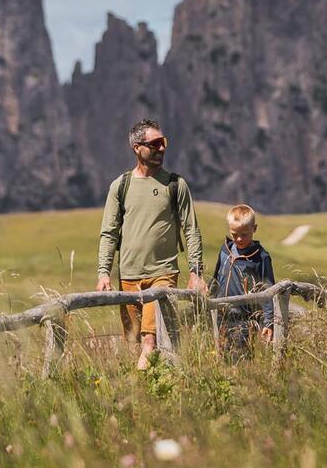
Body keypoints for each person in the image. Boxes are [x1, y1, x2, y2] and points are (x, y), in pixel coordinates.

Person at [96, 118, 206, 370]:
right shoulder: (120, 186)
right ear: (137, 147)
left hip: (163, 275)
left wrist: (196, 272)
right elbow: (109, 233)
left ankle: (139, 391)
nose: (161, 148)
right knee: (139, 341)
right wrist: (103, 273)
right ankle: (167, 385)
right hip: (129, 277)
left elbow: (192, 230)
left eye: (163, 142)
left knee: (149, 341)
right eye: (155, 143)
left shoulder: (175, 185)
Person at [210, 204, 275, 354]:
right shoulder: (225, 250)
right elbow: (216, 277)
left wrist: (268, 322)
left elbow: (268, 291)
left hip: (244, 319)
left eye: (244, 234)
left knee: (239, 357)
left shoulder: (260, 257)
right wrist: (208, 297)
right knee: (219, 354)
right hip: (221, 314)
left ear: (254, 228)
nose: (239, 239)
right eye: (234, 234)